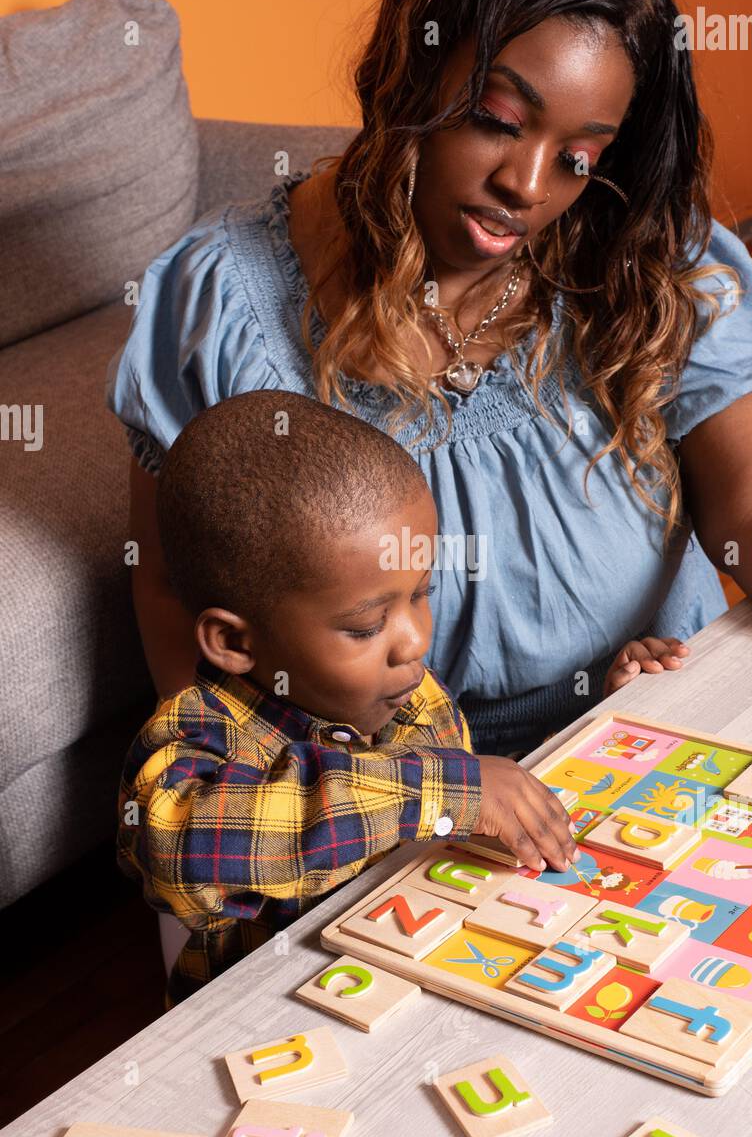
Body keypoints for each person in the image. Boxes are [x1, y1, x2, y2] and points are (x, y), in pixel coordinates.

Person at [107, 0, 752, 762]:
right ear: (411, 72)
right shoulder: (223, 301)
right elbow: (177, 587)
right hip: (379, 791)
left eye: (578, 157)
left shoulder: (645, 261)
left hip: (643, 727)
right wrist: (288, 806)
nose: (528, 185)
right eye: (498, 120)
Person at [119, 391, 579, 1005]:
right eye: (365, 627)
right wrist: (442, 791)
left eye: (421, 592)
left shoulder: (404, 688)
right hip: (277, 1020)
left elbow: (454, 829)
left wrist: (604, 703)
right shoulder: (193, 738)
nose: (414, 640)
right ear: (233, 641)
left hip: (425, 970)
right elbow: (179, 852)